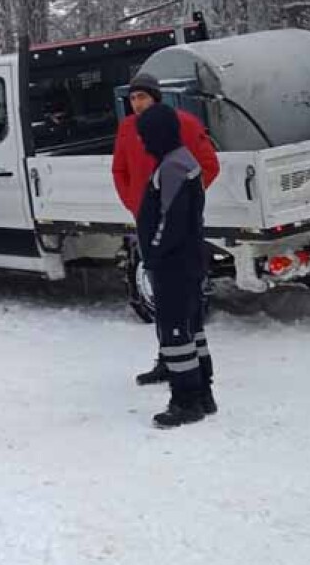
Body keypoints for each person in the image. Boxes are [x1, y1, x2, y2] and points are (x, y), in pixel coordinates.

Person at [112, 72, 220, 386]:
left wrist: (183, 204)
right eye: (132, 98)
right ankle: (168, 358)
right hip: (147, 223)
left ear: (156, 97)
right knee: (163, 297)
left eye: (142, 97)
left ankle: (193, 371)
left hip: (177, 230)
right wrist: (137, 204)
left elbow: (207, 165)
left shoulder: (182, 123)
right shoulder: (127, 128)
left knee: (183, 298)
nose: (137, 103)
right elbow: (119, 169)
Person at [135, 103, 215, 428]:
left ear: (158, 135)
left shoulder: (173, 168)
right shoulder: (181, 161)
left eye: (145, 136)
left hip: (174, 263)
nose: (143, 142)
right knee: (192, 330)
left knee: (176, 332)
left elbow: (171, 220)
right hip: (188, 258)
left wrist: (153, 253)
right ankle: (203, 393)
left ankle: (185, 401)